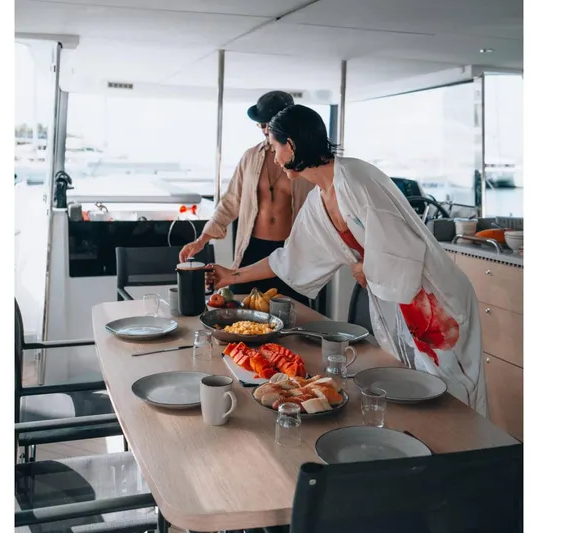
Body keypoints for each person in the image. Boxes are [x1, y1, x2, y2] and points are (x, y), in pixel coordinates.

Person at [207, 105, 487, 415]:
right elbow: (289, 259)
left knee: (453, 393)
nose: (274, 158)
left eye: (275, 148)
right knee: (424, 390)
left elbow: (403, 245)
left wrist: (364, 266)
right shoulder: (318, 201)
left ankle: (475, 457)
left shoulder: (355, 178)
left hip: (437, 296)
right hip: (404, 299)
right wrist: (229, 276)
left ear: (293, 145)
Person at [179, 91, 314, 303]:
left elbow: (328, 211)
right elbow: (230, 202)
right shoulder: (251, 157)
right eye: (261, 125)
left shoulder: (307, 162)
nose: (266, 129)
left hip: (290, 253)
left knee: (293, 319)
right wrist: (201, 240)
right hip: (251, 251)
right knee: (241, 316)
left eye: (269, 123)